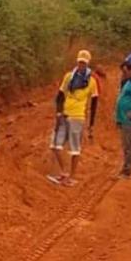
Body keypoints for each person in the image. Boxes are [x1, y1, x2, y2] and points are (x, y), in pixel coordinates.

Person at [49, 50, 99, 186]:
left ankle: (71, 177)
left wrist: (91, 123)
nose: (81, 64)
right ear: (77, 62)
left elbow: (94, 102)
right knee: (55, 144)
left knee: (75, 148)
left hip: (78, 117)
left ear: (88, 64)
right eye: (80, 62)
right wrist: (58, 112)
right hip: (65, 114)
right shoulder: (68, 77)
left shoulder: (92, 81)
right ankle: (64, 173)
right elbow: (59, 96)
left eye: (84, 62)